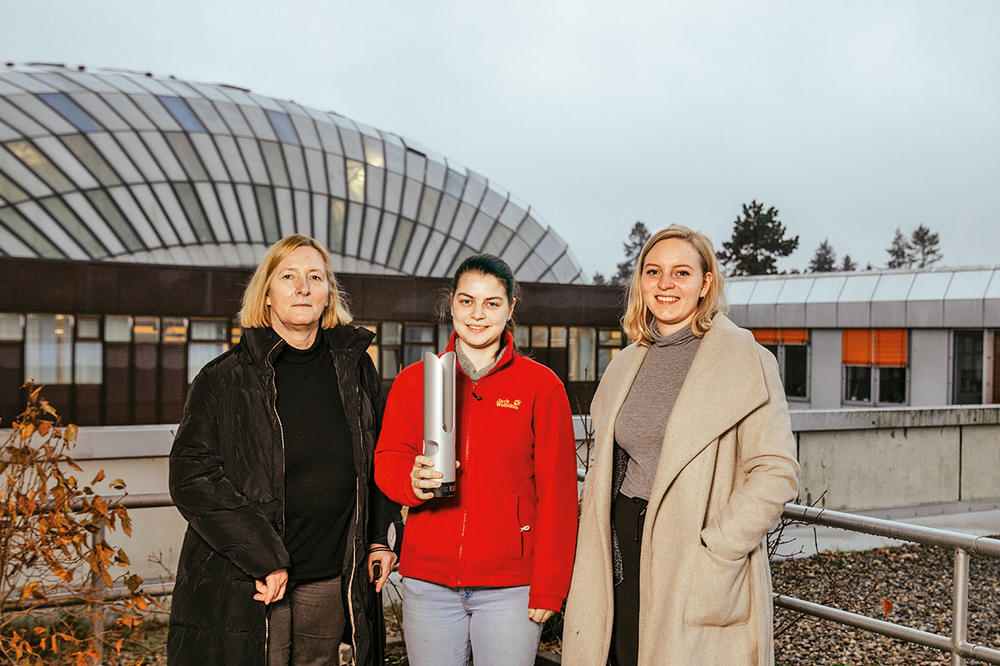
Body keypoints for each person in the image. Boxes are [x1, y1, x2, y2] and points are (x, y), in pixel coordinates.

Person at [562, 225, 800, 665]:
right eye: (653, 271)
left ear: (705, 283)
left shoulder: (745, 360)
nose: (665, 284)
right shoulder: (627, 363)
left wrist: (720, 545)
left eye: (681, 272)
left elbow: (776, 470)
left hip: (695, 550)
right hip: (618, 545)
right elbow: (607, 464)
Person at [168, 235, 401, 666]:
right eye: (288, 276)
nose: (303, 287)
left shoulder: (354, 368)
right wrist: (265, 558)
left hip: (330, 572)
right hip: (252, 577)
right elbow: (192, 478)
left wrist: (379, 539)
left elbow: (378, 459)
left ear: (328, 293)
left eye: (315, 277)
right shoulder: (224, 378)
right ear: (268, 294)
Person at [374, 253, 578, 666]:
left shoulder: (541, 386)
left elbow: (558, 494)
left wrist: (549, 586)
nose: (478, 315)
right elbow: (388, 459)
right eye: (467, 301)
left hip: (511, 587)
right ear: (451, 304)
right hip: (428, 582)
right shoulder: (417, 381)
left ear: (510, 308)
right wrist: (411, 482)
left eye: (492, 303)